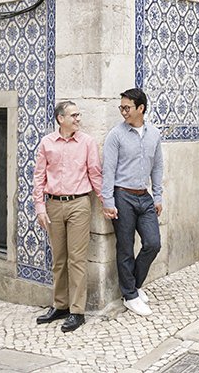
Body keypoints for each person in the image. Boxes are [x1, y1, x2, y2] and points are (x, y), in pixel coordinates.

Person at [31, 99, 102, 332]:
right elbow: (39, 177)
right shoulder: (47, 143)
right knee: (59, 258)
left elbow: (95, 174)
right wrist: (40, 207)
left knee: (77, 259)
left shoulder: (87, 142)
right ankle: (60, 305)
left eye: (79, 115)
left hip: (79, 204)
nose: (78, 119)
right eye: (74, 115)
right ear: (61, 119)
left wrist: (106, 202)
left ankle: (77, 311)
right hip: (53, 205)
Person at [101, 86, 165, 316]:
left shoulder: (154, 134)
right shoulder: (115, 135)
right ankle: (130, 296)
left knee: (153, 243)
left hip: (144, 197)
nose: (123, 112)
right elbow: (107, 171)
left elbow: (157, 167)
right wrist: (108, 201)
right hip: (123, 195)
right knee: (125, 247)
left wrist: (157, 196)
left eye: (127, 107)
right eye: (121, 107)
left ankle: (134, 286)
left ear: (141, 108)